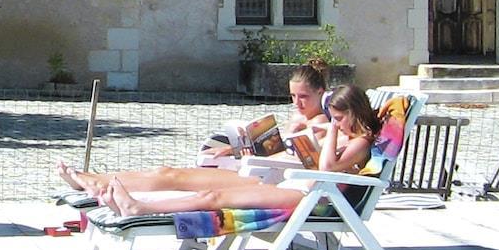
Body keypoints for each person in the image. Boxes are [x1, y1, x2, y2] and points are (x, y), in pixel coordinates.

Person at [60, 85, 380, 217]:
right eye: (334, 117)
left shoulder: (360, 141)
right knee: (172, 174)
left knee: (213, 198)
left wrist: (332, 130)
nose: (336, 123)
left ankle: (141, 208)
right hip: (282, 179)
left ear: (354, 113)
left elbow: (327, 168)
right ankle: (97, 180)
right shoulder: (337, 133)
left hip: (310, 196)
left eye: (340, 118)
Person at [201, 62, 330, 163]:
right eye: (293, 95)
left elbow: (300, 157)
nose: (296, 102)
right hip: (270, 162)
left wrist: (251, 157)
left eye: (303, 96)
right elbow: (278, 149)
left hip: (283, 169)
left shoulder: (320, 122)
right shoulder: (297, 116)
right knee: (212, 149)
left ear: (320, 92)